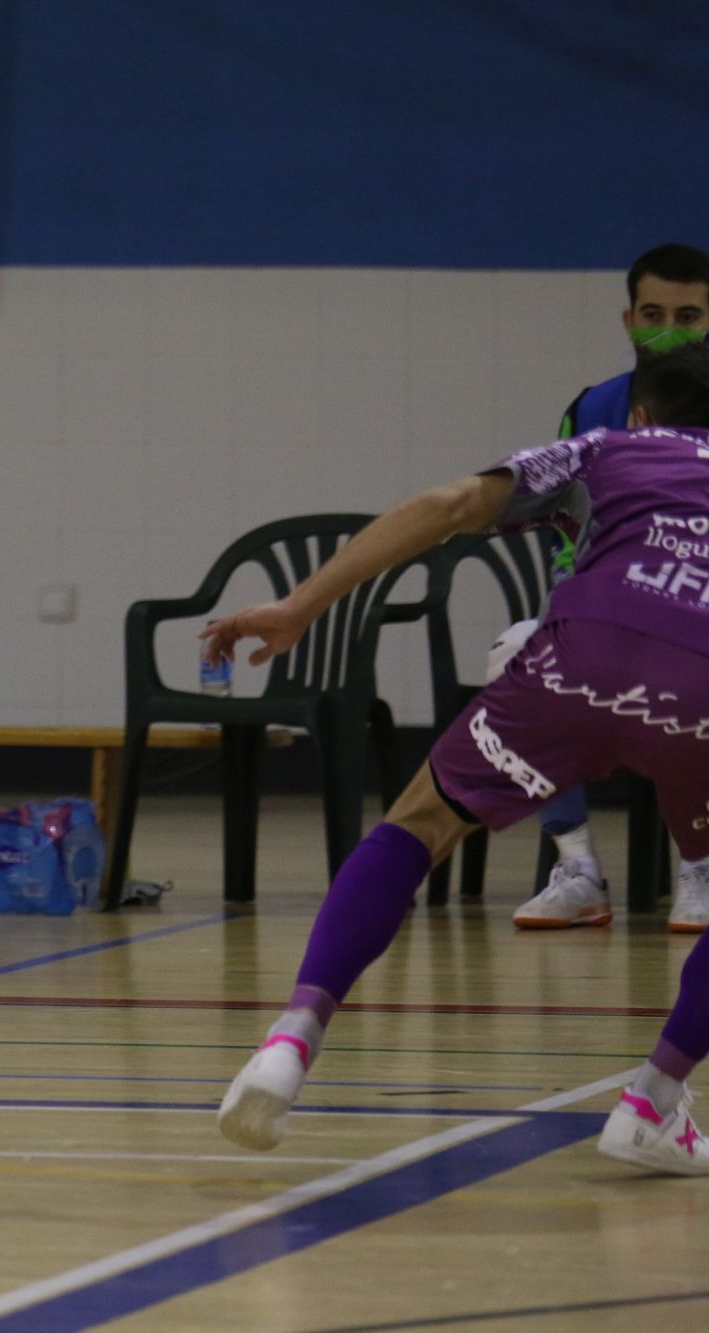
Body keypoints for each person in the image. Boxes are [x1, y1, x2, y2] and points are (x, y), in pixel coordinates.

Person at [206, 341, 709, 1175]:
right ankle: (654, 1099)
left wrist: (300, 605)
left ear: (643, 413)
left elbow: (448, 503)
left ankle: (291, 1041)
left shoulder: (607, 447)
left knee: (419, 822)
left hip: (583, 658)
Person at [510, 243, 709, 932]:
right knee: (521, 651)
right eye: (653, 313)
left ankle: (700, 868)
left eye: (689, 315)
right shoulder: (593, 407)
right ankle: (576, 867)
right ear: (628, 319)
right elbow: (567, 526)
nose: (669, 329)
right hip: (611, 611)